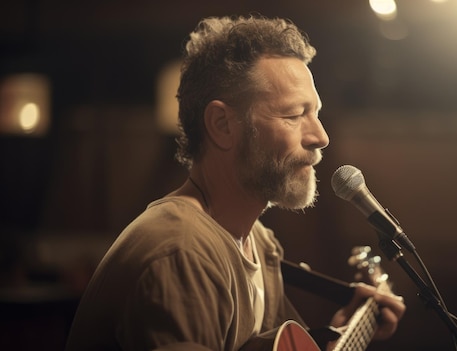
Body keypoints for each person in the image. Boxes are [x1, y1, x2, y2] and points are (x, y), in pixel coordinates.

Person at [64, 15, 405, 351]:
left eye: (315, 113)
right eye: (293, 115)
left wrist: (344, 335)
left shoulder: (258, 242)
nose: (320, 137)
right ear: (222, 125)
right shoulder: (181, 252)